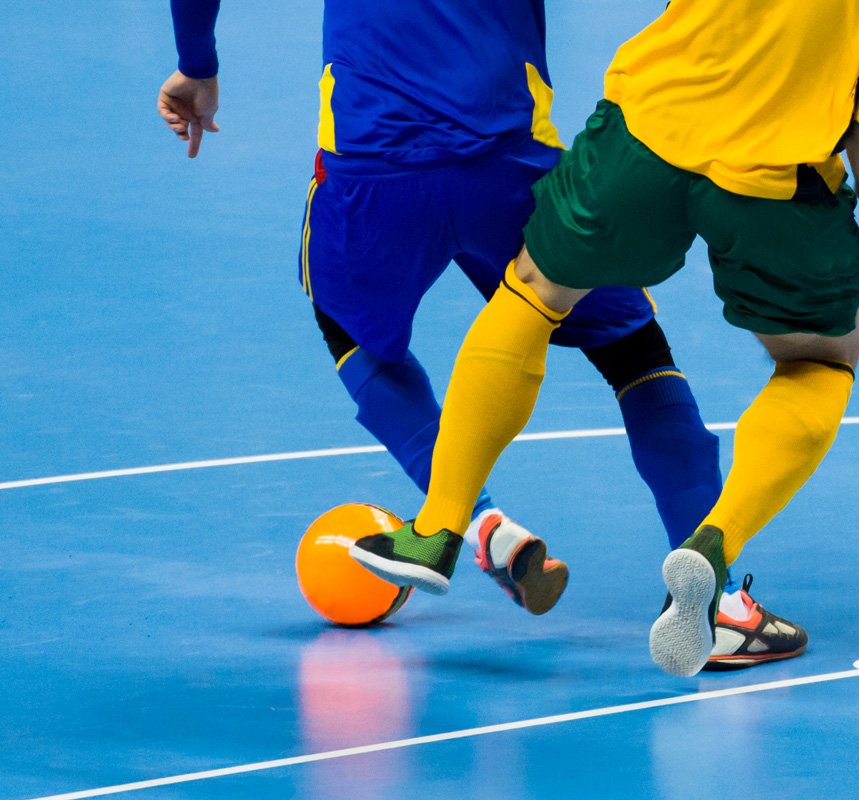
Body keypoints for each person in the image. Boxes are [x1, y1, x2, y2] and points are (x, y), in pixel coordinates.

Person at [158, 0, 808, 668]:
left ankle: (469, 521)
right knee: (633, 352)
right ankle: (720, 604)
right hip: (509, 166)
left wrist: (196, 63)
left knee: (346, 327)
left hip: (372, 172)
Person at [352, 0, 859, 676]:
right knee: (821, 358)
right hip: (777, 177)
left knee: (531, 294)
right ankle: (712, 550)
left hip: (645, 134)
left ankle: (438, 525)